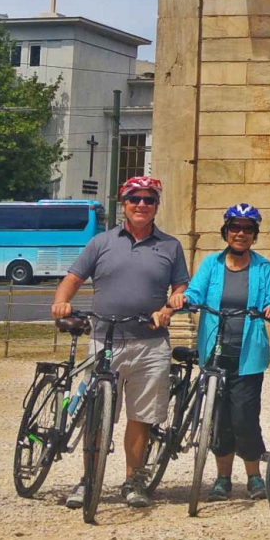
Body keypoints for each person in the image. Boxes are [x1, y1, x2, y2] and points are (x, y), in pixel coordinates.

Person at [51, 175, 189, 510]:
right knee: (97, 414)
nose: (142, 205)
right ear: (123, 204)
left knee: (141, 416)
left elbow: (180, 287)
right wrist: (61, 302)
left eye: (149, 200)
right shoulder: (101, 242)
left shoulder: (170, 246)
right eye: (135, 200)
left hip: (150, 342)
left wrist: (170, 306)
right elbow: (73, 278)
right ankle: (89, 478)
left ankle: (133, 479)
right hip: (105, 338)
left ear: (156, 206)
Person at [184, 203, 270, 501]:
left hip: (248, 354)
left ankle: (253, 476)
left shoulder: (262, 266)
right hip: (215, 353)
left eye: (248, 229)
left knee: (245, 417)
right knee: (219, 418)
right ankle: (222, 479)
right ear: (226, 231)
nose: (241, 233)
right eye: (235, 228)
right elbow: (195, 292)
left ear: (254, 235)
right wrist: (184, 300)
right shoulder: (211, 264)